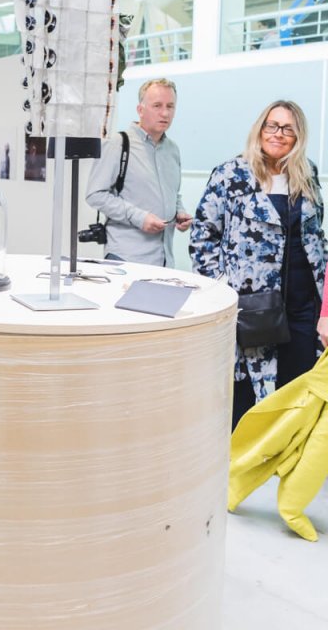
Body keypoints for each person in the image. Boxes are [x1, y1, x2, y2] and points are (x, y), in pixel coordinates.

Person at [190, 100, 327, 428]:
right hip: (253, 304)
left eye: (288, 128)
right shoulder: (231, 174)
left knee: (298, 381)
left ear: (298, 136)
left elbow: (317, 235)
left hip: (303, 301)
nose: (279, 134)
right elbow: (202, 236)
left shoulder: (306, 174)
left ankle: (287, 452)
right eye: (272, 125)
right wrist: (222, 289)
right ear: (260, 128)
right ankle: (246, 457)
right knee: (250, 388)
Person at [85, 78, 192, 266]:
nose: (165, 113)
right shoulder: (117, 144)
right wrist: (140, 218)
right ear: (140, 110)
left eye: (170, 106)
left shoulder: (173, 150)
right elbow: (95, 195)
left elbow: (173, 194)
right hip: (126, 259)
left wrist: (180, 212)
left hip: (164, 261)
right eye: (157, 106)